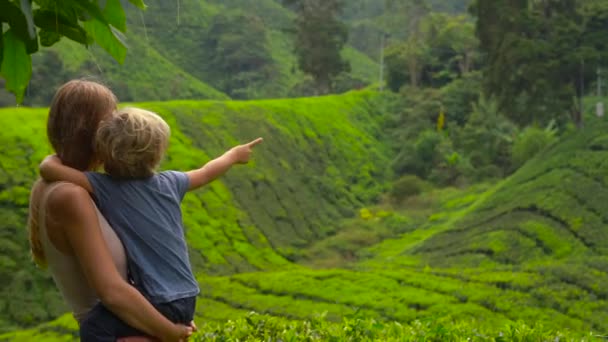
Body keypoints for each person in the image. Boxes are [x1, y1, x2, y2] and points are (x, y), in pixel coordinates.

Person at [39, 107, 263, 341]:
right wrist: (235, 155)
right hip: (186, 298)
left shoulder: (105, 187)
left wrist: (54, 155)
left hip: (156, 299)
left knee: (94, 329)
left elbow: (48, 169)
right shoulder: (171, 182)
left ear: (105, 154)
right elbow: (206, 172)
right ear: (156, 154)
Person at [28, 80, 194, 342]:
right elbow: (112, 291)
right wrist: (170, 331)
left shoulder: (76, 186)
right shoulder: (71, 196)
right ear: (92, 134)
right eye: (112, 122)